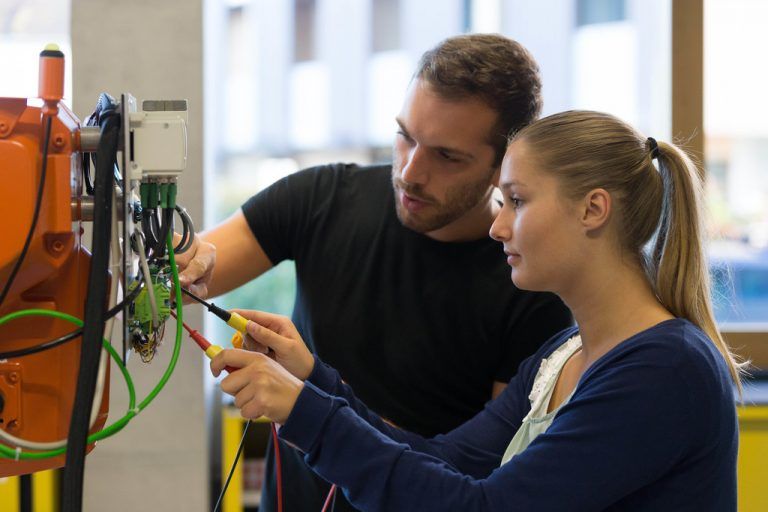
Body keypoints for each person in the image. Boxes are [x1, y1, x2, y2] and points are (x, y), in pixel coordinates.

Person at [212, 110, 743, 511]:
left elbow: (481, 508)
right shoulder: (562, 354)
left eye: (517, 200)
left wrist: (307, 411)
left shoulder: (664, 370)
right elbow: (444, 461)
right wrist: (311, 379)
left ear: (593, 208)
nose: (497, 226)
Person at [177, 34, 573, 511]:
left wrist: (309, 405)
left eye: (446, 156)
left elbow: (479, 470)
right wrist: (185, 263)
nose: (410, 171)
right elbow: (185, 272)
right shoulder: (323, 198)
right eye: (405, 135)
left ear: (503, 165)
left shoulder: (531, 287)